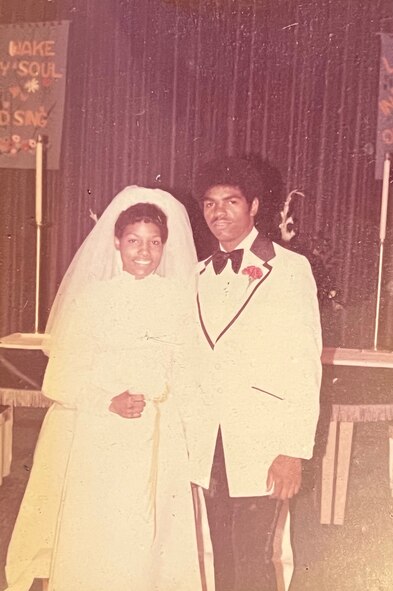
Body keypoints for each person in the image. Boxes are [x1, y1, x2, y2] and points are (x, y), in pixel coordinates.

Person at [5, 186, 213, 591]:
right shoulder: (92, 298)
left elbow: (189, 371)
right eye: (133, 240)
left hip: (162, 436)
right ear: (117, 242)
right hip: (103, 434)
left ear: (165, 247)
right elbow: (58, 377)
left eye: (154, 242)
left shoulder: (179, 297)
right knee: (103, 534)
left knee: (158, 539)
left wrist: (193, 440)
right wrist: (108, 401)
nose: (143, 251)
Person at [185, 157, 322, 591]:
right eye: (209, 203)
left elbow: (304, 365)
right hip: (209, 444)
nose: (218, 212)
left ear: (255, 206)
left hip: (262, 444)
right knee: (219, 555)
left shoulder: (288, 269)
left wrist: (292, 451)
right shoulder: (197, 274)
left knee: (254, 559)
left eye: (230, 201)